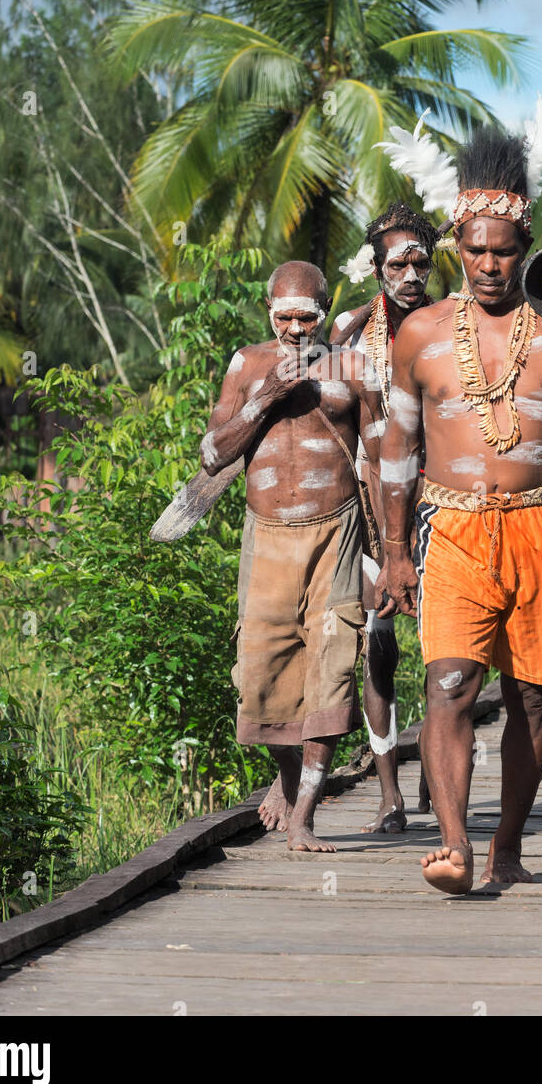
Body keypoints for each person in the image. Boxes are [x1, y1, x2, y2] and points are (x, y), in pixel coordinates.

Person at [379, 130, 542, 895]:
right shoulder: (418, 334)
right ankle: (453, 845)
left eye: (503, 251)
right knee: (448, 684)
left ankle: (505, 846)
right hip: (448, 528)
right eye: (475, 250)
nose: (488, 265)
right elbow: (392, 453)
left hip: (539, 525)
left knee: (531, 698)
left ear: (525, 246)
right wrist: (393, 551)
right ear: (456, 244)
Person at [200, 261, 385, 852]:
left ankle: (305, 813)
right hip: (268, 535)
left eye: (307, 317)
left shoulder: (354, 368)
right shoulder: (246, 364)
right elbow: (211, 454)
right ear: (269, 312)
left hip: (338, 531)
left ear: (325, 313)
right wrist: (265, 400)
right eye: (285, 317)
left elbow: (380, 465)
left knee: (332, 667)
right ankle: (286, 778)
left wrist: (390, 554)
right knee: (261, 673)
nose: (296, 329)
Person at [331, 202, 439, 834]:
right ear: (375, 267)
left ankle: (438, 764)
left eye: (420, 261)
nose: (409, 273)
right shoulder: (346, 332)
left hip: (439, 500)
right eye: (397, 262)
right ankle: (389, 794)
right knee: (379, 642)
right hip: (373, 506)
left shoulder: (452, 326)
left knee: (442, 645)